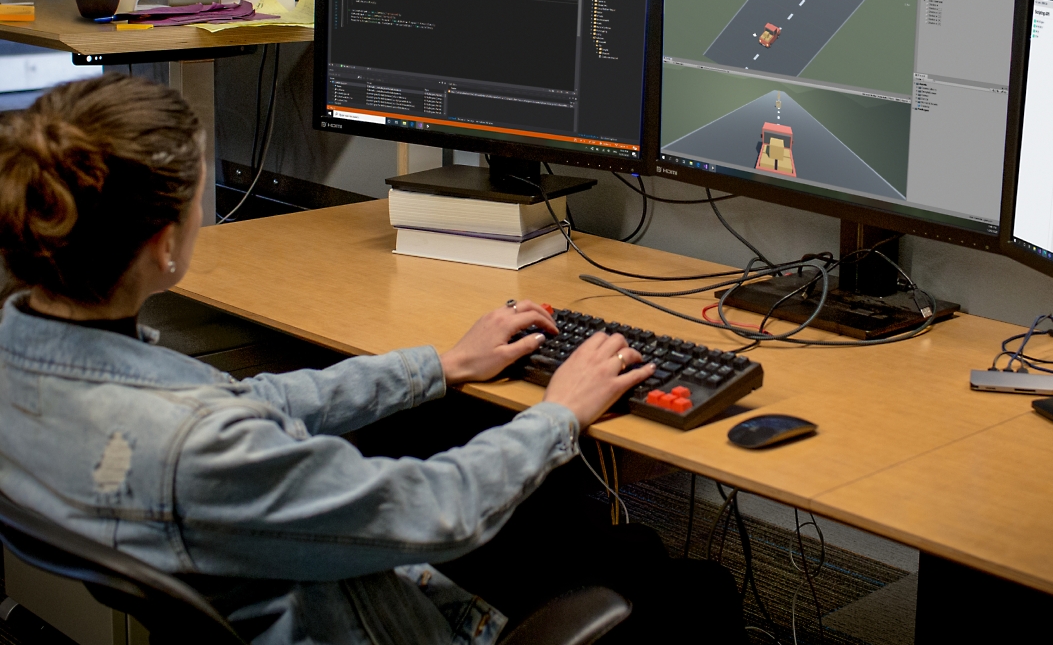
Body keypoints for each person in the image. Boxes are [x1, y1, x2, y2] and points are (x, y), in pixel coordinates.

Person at [0, 74, 746, 645]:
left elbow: (247, 402)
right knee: (695, 595)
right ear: (166, 245)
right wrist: (561, 411)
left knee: (614, 539)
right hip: (369, 624)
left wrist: (443, 364)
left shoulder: (21, 346)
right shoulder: (197, 447)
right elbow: (440, 510)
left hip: (270, 577)